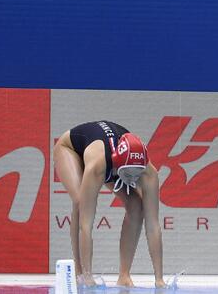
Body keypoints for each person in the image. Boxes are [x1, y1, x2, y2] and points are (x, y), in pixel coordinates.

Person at [53, 121, 164, 288]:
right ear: (118, 165)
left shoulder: (148, 172)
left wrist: (159, 279)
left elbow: (153, 225)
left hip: (115, 162)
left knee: (136, 206)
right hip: (71, 149)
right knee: (80, 201)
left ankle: (124, 275)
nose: (132, 180)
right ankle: (80, 272)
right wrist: (88, 276)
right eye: (128, 174)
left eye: (136, 175)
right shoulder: (98, 166)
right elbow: (86, 225)